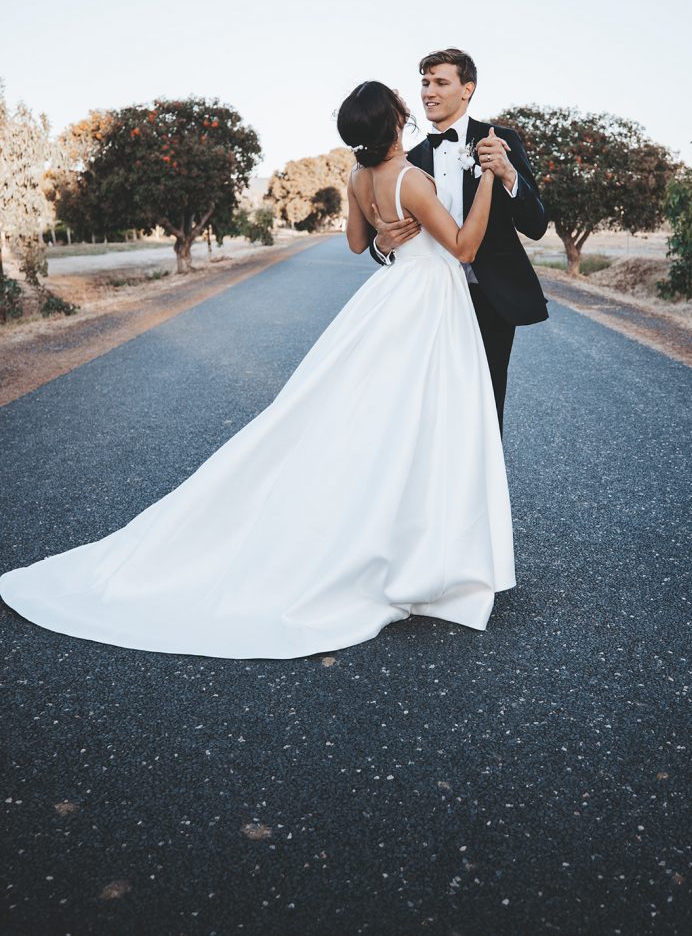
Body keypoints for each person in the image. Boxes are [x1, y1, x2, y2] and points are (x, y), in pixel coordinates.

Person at [0, 82, 516, 661]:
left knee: (374, 421)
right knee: (421, 421)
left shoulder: (357, 177)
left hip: (390, 296)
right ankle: (417, 549)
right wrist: (491, 179)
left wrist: (385, 234)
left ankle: (401, 541)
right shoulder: (411, 179)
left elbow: (354, 243)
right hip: (427, 304)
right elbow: (466, 248)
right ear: (397, 122)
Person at [366, 48, 549, 435]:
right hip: (427, 300)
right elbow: (375, 242)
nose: (428, 92)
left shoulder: (502, 142)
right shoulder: (409, 161)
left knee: (485, 404)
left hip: (490, 297)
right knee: (426, 402)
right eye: (425, 83)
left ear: (467, 89)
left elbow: (536, 225)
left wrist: (508, 174)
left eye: (440, 82)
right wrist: (381, 244)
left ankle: (482, 494)